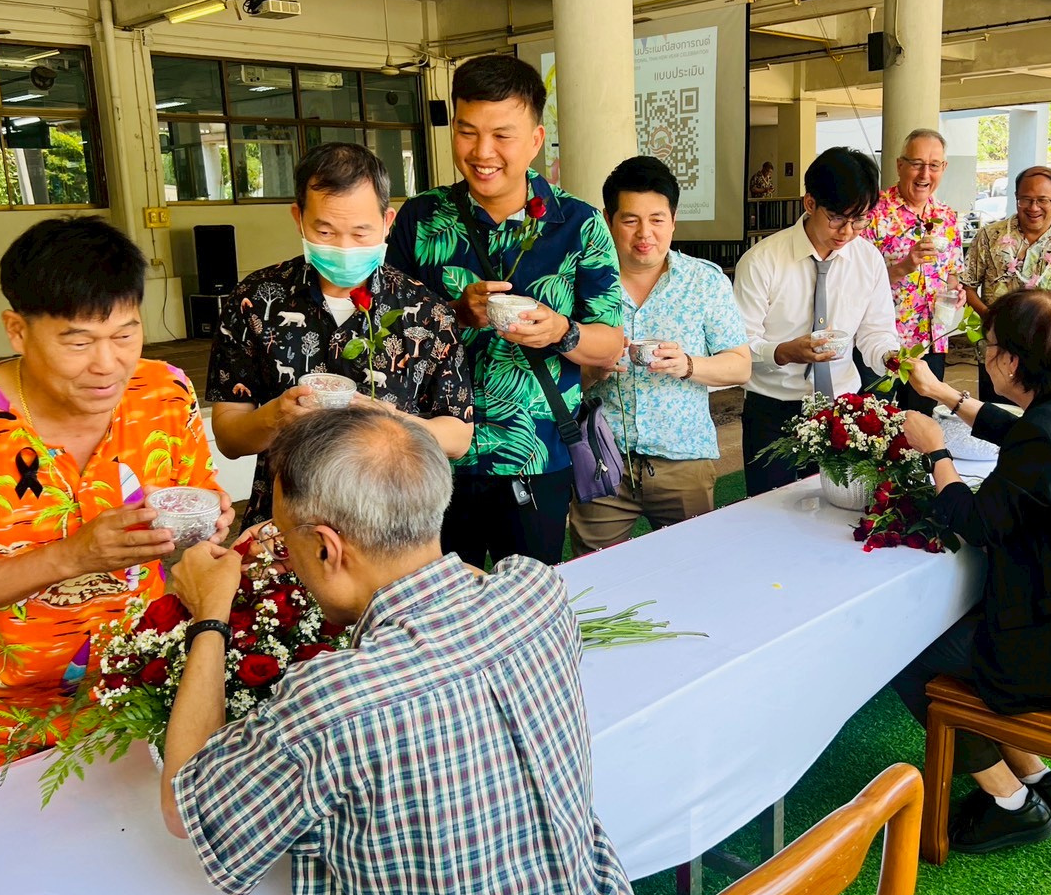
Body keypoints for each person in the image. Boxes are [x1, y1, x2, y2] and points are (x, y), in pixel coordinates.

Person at [160, 408, 637, 895]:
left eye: (285, 540)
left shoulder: (332, 701)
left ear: (327, 548)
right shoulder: (537, 591)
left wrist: (210, 614)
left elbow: (186, 808)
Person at [0, 218, 232, 780]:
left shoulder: (164, 392)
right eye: (78, 342)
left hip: (144, 692)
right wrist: (75, 554)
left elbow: (197, 491)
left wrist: (207, 517)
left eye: (125, 335)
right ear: (17, 330)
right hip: (4, 724)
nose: (107, 364)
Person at [891, 289, 1051, 852]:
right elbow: (1020, 436)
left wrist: (936, 453)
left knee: (907, 652)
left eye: (987, 346)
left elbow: (977, 524)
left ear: (1010, 362)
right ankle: (1037, 777)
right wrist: (945, 394)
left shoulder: (1045, 432)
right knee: (956, 631)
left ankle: (1010, 802)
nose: (984, 354)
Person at [387, 55, 624, 566]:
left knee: (530, 595)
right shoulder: (422, 218)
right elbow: (387, 336)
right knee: (439, 600)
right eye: (467, 132)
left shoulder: (578, 225)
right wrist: (455, 314)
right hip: (433, 456)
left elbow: (610, 344)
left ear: (536, 140)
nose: (482, 152)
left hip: (535, 454)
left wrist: (561, 331)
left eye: (502, 135)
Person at [207, 142, 473, 529]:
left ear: (387, 221)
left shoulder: (426, 311)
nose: (344, 248)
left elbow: (458, 437)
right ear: (299, 218)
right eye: (325, 231)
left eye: (361, 233)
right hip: (286, 525)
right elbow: (229, 438)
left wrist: (392, 420)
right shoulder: (255, 301)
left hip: (392, 526)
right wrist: (276, 417)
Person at [569, 157, 750, 554]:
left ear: (673, 220)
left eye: (656, 219)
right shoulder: (583, 284)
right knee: (595, 574)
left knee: (691, 570)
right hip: (603, 458)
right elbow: (559, 377)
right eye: (630, 220)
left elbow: (740, 365)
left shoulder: (704, 281)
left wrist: (689, 365)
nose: (644, 233)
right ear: (608, 219)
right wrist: (593, 370)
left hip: (683, 460)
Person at [733, 147, 900, 496]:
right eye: (837, 218)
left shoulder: (867, 259)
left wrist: (891, 357)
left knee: (838, 504)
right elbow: (739, 344)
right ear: (809, 203)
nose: (848, 231)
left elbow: (876, 331)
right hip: (773, 408)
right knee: (768, 508)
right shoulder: (762, 261)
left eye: (860, 219)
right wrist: (784, 352)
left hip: (842, 406)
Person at [962, 166, 1051, 404]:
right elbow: (967, 286)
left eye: (1042, 200)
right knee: (996, 417)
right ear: (1016, 197)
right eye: (1025, 199)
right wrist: (991, 318)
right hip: (998, 350)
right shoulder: (988, 236)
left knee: (1046, 417)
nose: (1033, 208)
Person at [859, 128, 966, 414]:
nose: (924, 174)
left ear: (944, 168)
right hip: (881, 343)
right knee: (874, 422)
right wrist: (905, 266)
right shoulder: (872, 213)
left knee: (921, 423)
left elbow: (952, 274)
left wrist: (956, 293)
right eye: (917, 164)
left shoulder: (947, 216)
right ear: (900, 165)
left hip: (931, 342)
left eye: (934, 165)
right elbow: (855, 284)